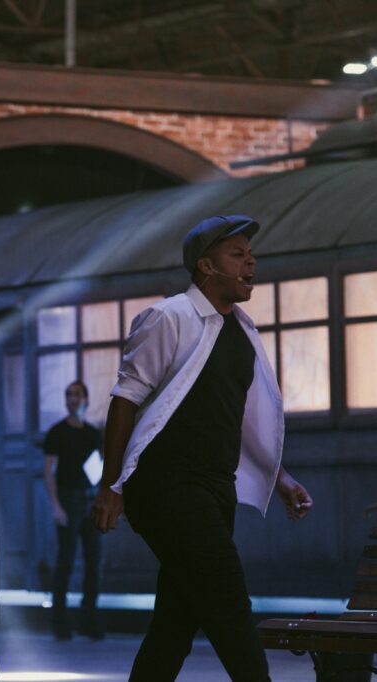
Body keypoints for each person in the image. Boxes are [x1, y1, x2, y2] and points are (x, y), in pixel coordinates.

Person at [91, 215, 314, 682]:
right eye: (237, 255)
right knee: (228, 601)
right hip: (166, 485)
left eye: (251, 254)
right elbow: (125, 398)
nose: (250, 263)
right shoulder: (170, 317)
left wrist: (281, 477)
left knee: (177, 619)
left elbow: (238, 419)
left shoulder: (242, 332)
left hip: (215, 487)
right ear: (206, 266)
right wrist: (111, 485)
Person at [43, 380, 104, 641]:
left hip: (90, 501)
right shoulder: (57, 433)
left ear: (86, 400)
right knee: (65, 563)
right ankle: (59, 622)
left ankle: (88, 620)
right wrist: (56, 505)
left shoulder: (92, 433)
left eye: (77, 394)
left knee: (94, 563)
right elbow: (49, 472)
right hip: (68, 500)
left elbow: (99, 469)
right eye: (69, 394)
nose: (72, 398)